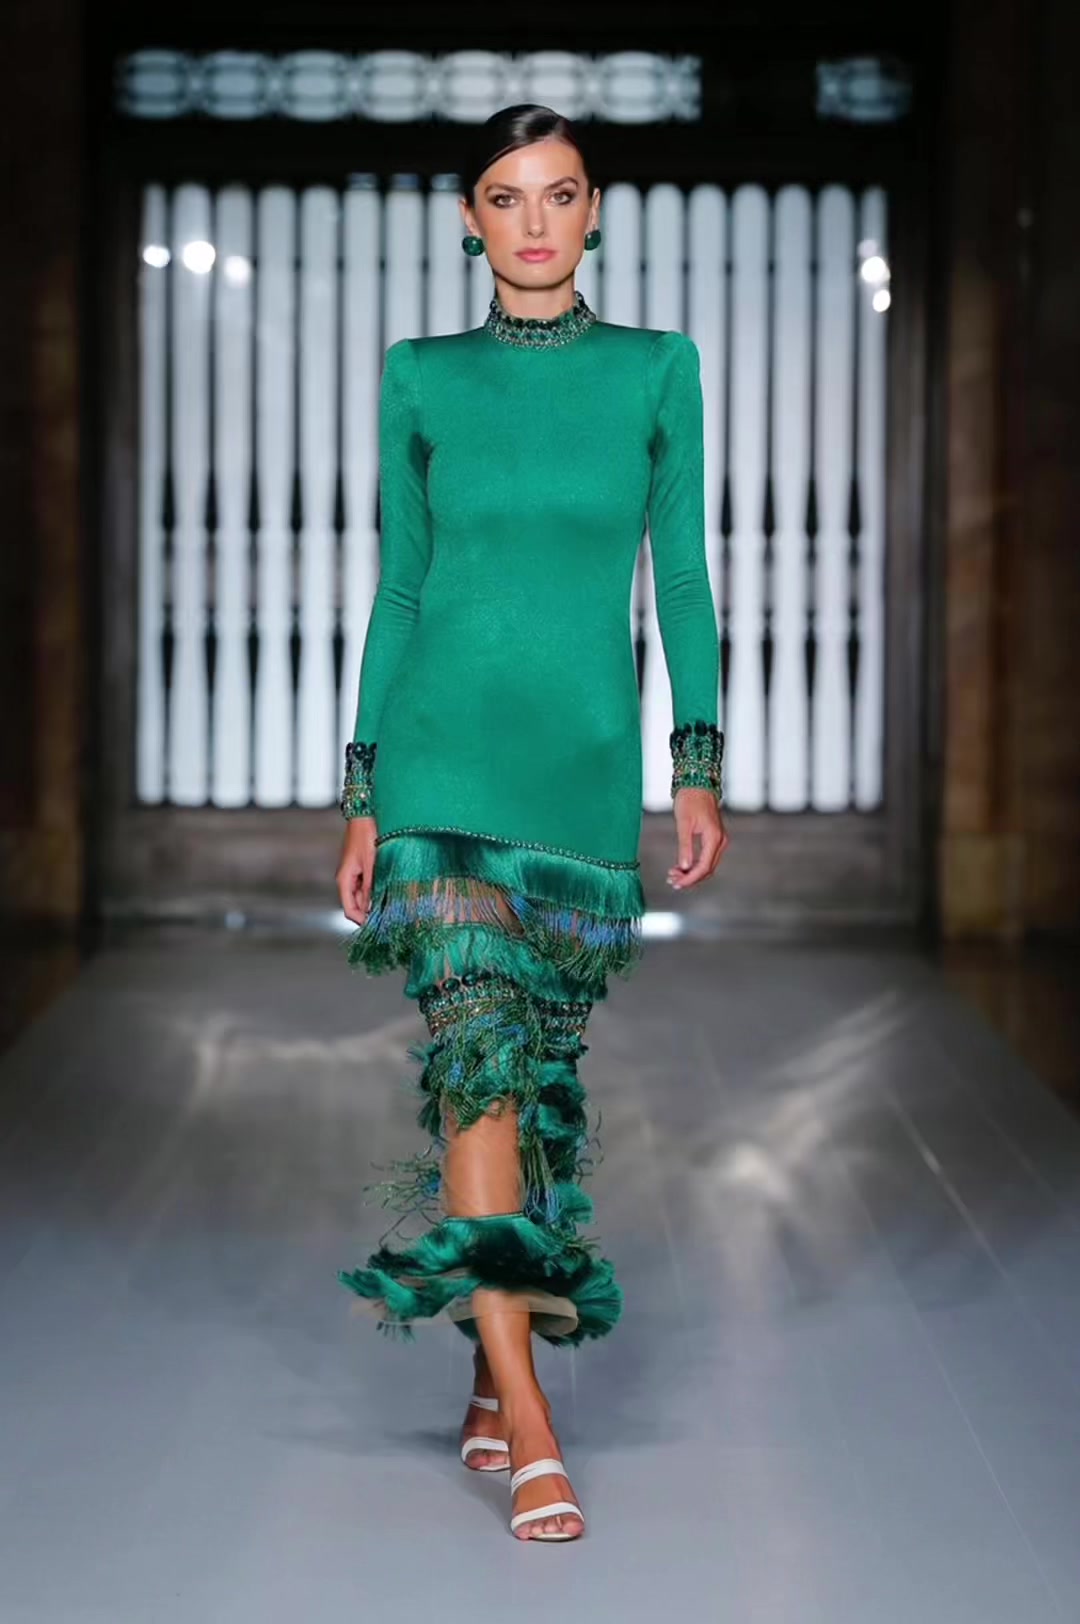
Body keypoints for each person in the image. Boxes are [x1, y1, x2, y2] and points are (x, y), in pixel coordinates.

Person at [335, 103, 728, 1542]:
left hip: (579, 779)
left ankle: (489, 1373)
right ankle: (535, 1420)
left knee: (540, 1078)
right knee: (479, 1072)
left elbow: (681, 580)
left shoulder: (656, 369)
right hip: (441, 770)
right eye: (507, 198)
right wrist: (364, 792)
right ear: (469, 220)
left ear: (596, 209)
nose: (536, 222)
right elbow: (400, 588)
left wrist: (696, 765)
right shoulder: (422, 375)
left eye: (560, 195)